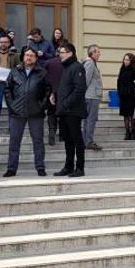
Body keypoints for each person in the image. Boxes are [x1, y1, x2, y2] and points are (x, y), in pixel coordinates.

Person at [3, 47, 51, 177]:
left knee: (38, 141)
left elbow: (47, 91)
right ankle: (11, 168)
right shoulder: (14, 72)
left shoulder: (42, 73)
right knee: (14, 141)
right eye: (27, 55)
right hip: (16, 112)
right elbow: (7, 90)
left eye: (31, 55)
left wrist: (41, 106)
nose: (29, 57)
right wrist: (12, 105)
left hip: (36, 112)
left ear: (36, 58)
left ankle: (40, 167)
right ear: (23, 57)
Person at [52, 43, 87, 177]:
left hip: (73, 110)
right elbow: (65, 87)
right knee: (67, 139)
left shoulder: (77, 67)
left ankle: (80, 168)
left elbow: (79, 90)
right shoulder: (66, 68)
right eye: (59, 52)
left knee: (76, 138)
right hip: (64, 110)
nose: (59, 54)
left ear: (70, 53)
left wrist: (65, 103)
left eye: (62, 52)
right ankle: (68, 166)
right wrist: (55, 96)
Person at [83, 44, 103, 150]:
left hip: (91, 95)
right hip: (91, 96)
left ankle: (86, 141)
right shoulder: (90, 63)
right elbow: (86, 79)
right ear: (93, 53)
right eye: (98, 52)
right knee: (91, 119)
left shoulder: (92, 63)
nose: (99, 54)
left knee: (88, 119)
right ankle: (89, 141)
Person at [117, 53, 135, 140]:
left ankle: (133, 132)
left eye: (127, 60)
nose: (125, 61)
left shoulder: (134, 70)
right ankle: (127, 132)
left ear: (131, 61)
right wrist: (119, 91)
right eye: (124, 59)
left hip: (131, 95)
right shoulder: (122, 69)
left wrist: (129, 90)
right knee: (125, 115)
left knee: (131, 115)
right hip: (123, 96)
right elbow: (119, 81)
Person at [45, 52, 65, 145]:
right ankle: (62, 135)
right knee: (62, 115)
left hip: (51, 92)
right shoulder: (66, 63)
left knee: (51, 114)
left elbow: (45, 77)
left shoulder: (49, 62)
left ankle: (52, 133)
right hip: (63, 93)